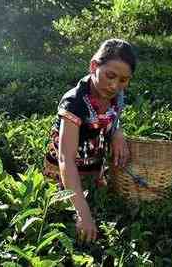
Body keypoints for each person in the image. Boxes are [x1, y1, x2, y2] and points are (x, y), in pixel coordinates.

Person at [43, 39, 137, 244]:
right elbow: (65, 158)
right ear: (94, 66)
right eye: (110, 75)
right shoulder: (74, 102)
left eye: (123, 80)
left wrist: (117, 133)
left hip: (93, 165)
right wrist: (83, 213)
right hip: (64, 173)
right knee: (65, 222)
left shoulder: (116, 96)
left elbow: (113, 119)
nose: (114, 85)